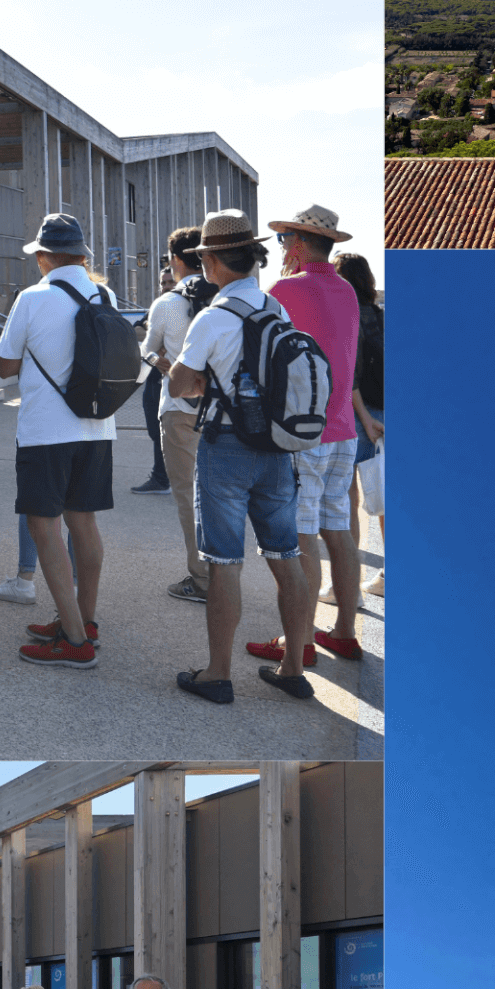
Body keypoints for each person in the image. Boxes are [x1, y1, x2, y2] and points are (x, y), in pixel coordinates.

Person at [165, 210, 313, 704]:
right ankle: (292, 667)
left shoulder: (212, 317)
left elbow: (180, 385)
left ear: (210, 262)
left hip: (226, 446)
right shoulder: (276, 309)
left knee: (224, 561)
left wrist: (209, 382)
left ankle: (218, 674)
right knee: (286, 556)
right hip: (277, 448)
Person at [0, 214, 115, 670]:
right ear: (82, 255)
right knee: (83, 523)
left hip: (47, 430)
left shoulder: (32, 297)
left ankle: (75, 641)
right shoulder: (105, 293)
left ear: (44, 256)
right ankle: (82, 620)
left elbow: (5, 366)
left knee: (44, 526)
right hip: (97, 425)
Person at [253, 204, 362, 668]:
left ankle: (300, 642)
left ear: (297, 244)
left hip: (303, 431)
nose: (281, 249)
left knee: (300, 537)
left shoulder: (283, 290)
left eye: (283, 241)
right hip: (343, 429)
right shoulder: (351, 292)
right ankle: (344, 633)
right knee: (338, 531)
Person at [138, 230, 214, 603]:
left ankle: (201, 579)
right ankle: (226, 571)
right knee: (224, 495)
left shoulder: (167, 302)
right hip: (224, 412)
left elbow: (149, 351)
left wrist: (160, 361)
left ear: (175, 259)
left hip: (180, 409)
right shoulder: (225, 297)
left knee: (188, 496)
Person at [336, 251, 384, 598]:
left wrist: (365, 419)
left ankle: (346, 583)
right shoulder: (383, 316)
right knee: (385, 497)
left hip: (359, 413)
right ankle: (389, 575)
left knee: (347, 497)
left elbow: (349, 375)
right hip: (386, 411)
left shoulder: (346, 317)